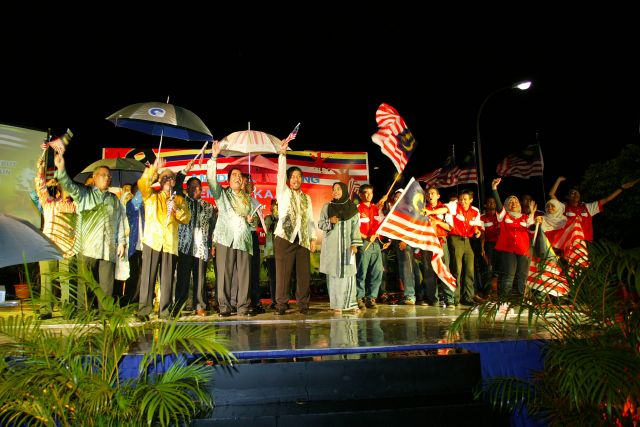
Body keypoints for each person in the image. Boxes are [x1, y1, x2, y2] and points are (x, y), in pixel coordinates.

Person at [55, 151, 127, 311]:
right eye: (104, 175)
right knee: (85, 285)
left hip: (108, 248)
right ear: (94, 178)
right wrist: (61, 169)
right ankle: (84, 314)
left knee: (106, 286)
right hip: (88, 248)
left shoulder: (113, 199)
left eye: (109, 176)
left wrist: (121, 242)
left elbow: (120, 221)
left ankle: (105, 315)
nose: (107, 178)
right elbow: (69, 185)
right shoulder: (84, 194)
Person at [206, 141, 256, 317]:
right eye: (234, 175)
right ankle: (225, 307)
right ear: (228, 180)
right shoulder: (222, 195)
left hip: (244, 240)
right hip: (225, 239)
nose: (237, 177)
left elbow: (255, 222)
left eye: (240, 176)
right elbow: (211, 179)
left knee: (244, 275)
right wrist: (214, 157)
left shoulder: (248, 199)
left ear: (242, 181)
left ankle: (243, 306)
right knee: (225, 275)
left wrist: (251, 220)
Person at [137, 157, 191, 320]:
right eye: (165, 177)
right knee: (148, 277)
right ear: (159, 181)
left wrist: (176, 210)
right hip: (152, 241)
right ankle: (144, 311)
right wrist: (154, 168)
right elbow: (142, 184)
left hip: (169, 244)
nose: (168, 179)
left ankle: (165, 311)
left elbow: (186, 218)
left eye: (171, 177)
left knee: (167, 279)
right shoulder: (151, 196)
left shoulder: (179, 199)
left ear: (174, 182)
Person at [274, 138, 317, 315]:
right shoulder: (283, 192)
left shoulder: (307, 198)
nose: (296, 179)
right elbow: (280, 174)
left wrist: (313, 238)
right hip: (285, 236)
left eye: (299, 176)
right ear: (288, 179)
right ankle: (281, 304)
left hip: (303, 238)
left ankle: (303, 304)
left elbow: (310, 219)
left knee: (303, 274)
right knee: (283, 273)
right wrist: (282, 155)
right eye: (293, 176)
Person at [34, 147, 78, 319]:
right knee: (47, 279)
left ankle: (68, 310)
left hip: (68, 247)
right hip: (48, 246)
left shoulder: (75, 206)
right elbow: (40, 187)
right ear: (59, 187)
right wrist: (40, 168)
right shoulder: (49, 203)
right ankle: (46, 309)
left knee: (67, 280)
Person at [175, 160, 216, 317]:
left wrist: (211, 246)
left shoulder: (208, 207)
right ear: (187, 189)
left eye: (197, 186)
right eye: (191, 187)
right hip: (184, 246)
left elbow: (212, 228)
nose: (195, 189)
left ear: (201, 189)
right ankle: (179, 306)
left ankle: (199, 306)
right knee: (183, 278)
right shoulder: (182, 201)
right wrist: (184, 171)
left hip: (201, 248)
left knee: (200, 279)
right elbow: (176, 187)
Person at [549, 176, 639, 242]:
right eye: (573, 193)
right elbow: (551, 194)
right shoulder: (564, 207)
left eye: (577, 193)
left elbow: (607, 199)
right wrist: (558, 180)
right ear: (567, 197)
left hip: (586, 242)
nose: (576, 194)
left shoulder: (587, 207)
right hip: (569, 242)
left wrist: (621, 188)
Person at [319, 182, 362, 313]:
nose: (336, 191)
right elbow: (320, 224)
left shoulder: (352, 208)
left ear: (344, 191)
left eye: (338, 189)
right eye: (334, 189)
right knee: (334, 275)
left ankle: (351, 304)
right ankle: (337, 305)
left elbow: (355, 227)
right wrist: (329, 221)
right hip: (331, 248)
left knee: (348, 274)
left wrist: (354, 244)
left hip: (347, 247)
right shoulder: (327, 207)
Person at [491, 178, 536, 298]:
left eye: (516, 201)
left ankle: (522, 299)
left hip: (523, 250)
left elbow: (531, 229)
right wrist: (494, 189)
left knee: (523, 276)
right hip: (508, 250)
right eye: (510, 202)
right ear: (506, 205)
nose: (513, 203)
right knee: (509, 275)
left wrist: (533, 215)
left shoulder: (525, 217)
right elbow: (499, 206)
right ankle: (504, 300)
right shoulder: (503, 215)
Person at [443, 189, 483, 307]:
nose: (463, 201)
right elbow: (445, 209)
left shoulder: (475, 211)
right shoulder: (454, 207)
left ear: (471, 200)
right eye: (461, 199)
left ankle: (468, 297)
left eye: (465, 199)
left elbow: (476, 226)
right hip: (456, 239)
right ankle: (455, 297)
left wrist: (477, 232)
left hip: (469, 241)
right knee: (457, 269)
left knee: (469, 270)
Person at [355, 184, 388, 309]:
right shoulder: (357, 208)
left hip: (376, 244)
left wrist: (384, 239)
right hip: (364, 243)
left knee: (377, 271)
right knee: (361, 271)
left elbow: (382, 224)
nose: (369, 195)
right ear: (360, 194)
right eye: (366, 192)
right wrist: (366, 237)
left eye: (371, 192)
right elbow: (353, 228)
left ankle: (371, 297)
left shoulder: (376, 208)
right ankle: (359, 297)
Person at [421, 185, 453, 306]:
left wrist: (437, 222)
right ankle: (432, 299)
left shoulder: (445, 208)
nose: (430, 195)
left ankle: (449, 299)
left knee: (444, 269)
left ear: (438, 196)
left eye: (433, 193)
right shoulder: (422, 209)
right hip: (427, 242)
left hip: (441, 241)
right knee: (429, 271)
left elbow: (449, 227)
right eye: (428, 193)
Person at [263, 199, 278, 309]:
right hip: (271, 252)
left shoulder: (283, 219)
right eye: (274, 205)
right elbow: (266, 228)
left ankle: (282, 299)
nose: (276, 207)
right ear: (271, 207)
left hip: (282, 253)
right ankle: (274, 300)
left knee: (282, 277)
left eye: (277, 205)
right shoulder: (268, 218)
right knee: (272, 278)